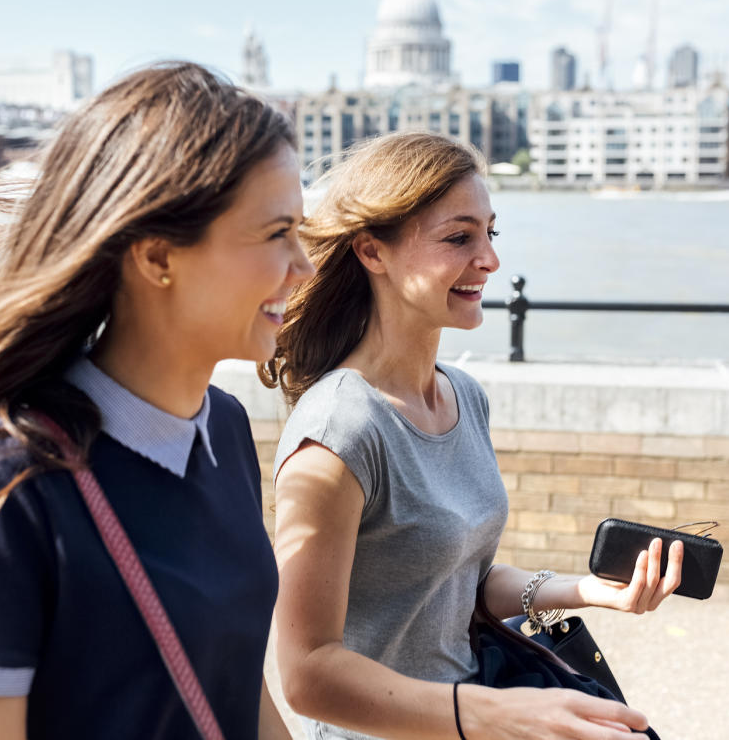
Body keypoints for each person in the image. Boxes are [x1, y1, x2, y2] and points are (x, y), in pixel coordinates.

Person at [0, 62, 312, 739]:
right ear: (158, 257)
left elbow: (236, 688)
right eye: (278, 234)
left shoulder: (225, 427)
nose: (304, 265)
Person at [261, 132, 684, 740]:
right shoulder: (339, 432)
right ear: (372, 252)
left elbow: (464, 585)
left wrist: (587, 590)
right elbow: (307, 676)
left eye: (491, 233)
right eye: (459, 237)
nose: (488, 259)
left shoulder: (464, 396)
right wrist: (488, 716)